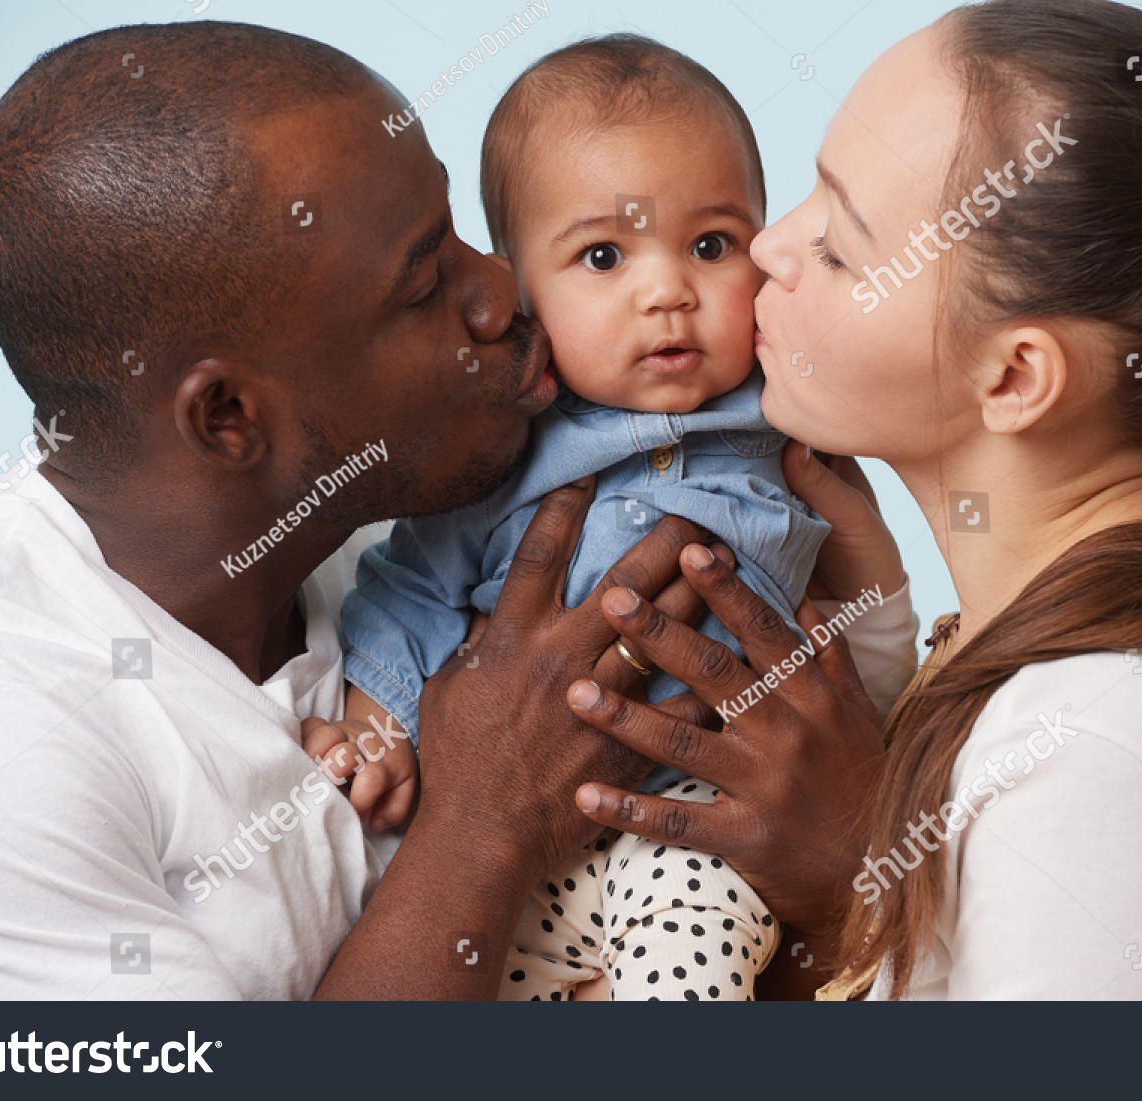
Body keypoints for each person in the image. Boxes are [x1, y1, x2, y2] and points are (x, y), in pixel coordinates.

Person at [0, 19, 893, 1001]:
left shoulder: (408, 505)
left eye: (460, 232)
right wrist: (485, 820)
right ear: (231, 417)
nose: (503, 292)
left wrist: (839, 884)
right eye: (426, 283)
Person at [565, 0, 1142, 998]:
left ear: (1017, 379)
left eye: (840, 249)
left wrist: (862, 887)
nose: (771, 247)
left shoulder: (1100, 764)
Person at [312, 34, 917, 1002]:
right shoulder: (506, 448)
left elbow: (855, 643)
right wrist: (376, 717)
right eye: (602, 256)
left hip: (708, 817)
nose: (667, 290)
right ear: (519, 289)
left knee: (693, 960)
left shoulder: (791, 415)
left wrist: (875, 749)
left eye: (711, 246)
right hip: (503, 842)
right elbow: (413, 581)